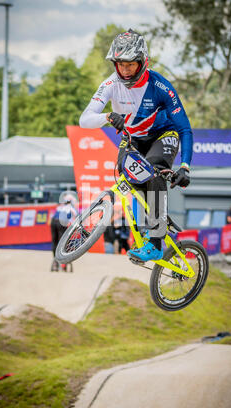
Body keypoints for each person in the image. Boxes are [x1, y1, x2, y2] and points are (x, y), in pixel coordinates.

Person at [79, 29, 192, 262]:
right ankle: (155, 217)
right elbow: (85, 118)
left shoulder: (161, 87)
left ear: (143, 62)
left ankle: (156, 241)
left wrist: (185, 166)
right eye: (119, 64)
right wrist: (108, 116)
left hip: (163, 134)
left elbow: (185, 129)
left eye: (130, 64)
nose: (124, 70)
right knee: (129, 177)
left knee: (153, 171)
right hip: (134, 139)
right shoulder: (110, 83)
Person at [50, 195, 77, 271]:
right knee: (62, 243)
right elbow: (75, 219)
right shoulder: (72, 208)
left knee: (55, 242)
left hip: (53, 222)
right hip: (62, 222)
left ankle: (55, 261)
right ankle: (63, 263)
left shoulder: (60, 207)